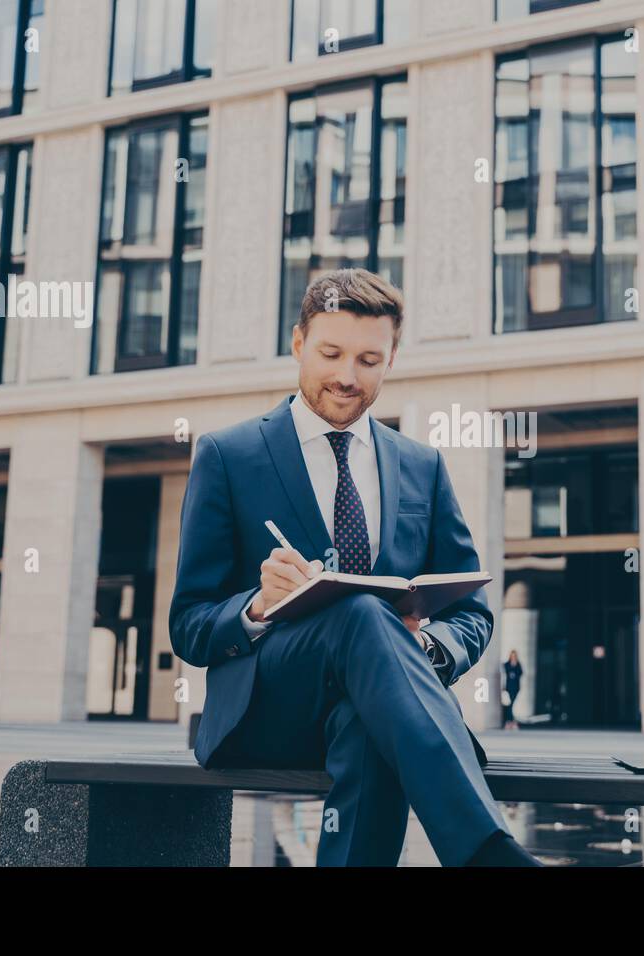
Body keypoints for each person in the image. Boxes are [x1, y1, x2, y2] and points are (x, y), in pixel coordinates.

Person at [168, 268, 541, 867]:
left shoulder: (422, 465)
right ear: (298, 344)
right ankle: (488, 853)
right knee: (362, 613)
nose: (346, 376)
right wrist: (255, 605)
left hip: (382, 705)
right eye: (331, 353)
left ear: (392, 358)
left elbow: (470, 611)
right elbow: (188, 624)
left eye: (368, 359)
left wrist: (429, 651)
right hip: (269, 709)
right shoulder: (227, 455)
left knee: (369, 712)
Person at [502, 650, 523, 730]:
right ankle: (511, 722)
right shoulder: (506, 664)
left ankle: (510, 722)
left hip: (516, 687)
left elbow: (521, 673)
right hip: (508, 688)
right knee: (510, 706)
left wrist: (515, 667)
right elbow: (505, 673)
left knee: (511, 705)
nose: (513, 657)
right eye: (512, 655)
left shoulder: (518, 664)